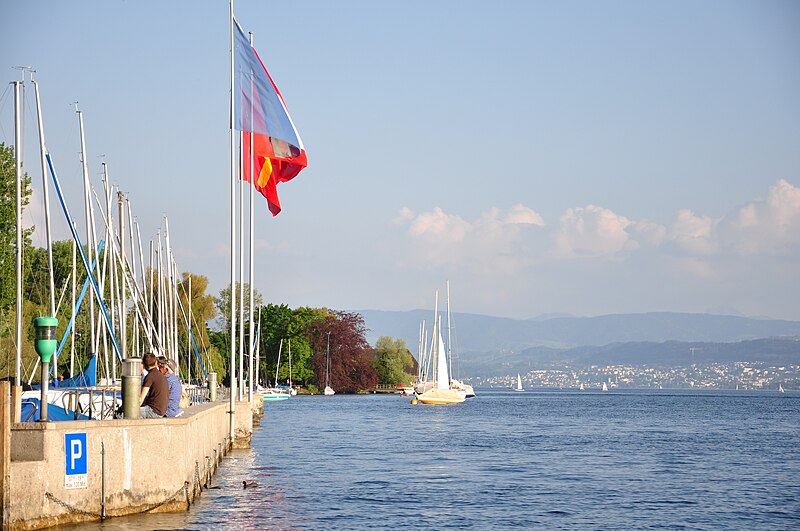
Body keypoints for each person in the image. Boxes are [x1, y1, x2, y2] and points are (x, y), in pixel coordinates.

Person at [140, 352, 168, 418]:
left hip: (153, 411)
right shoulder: (160, 375)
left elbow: (141, 399)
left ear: (144, 364)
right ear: (155, 363)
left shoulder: (150, 376)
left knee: (125, 414)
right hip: (161, 411)